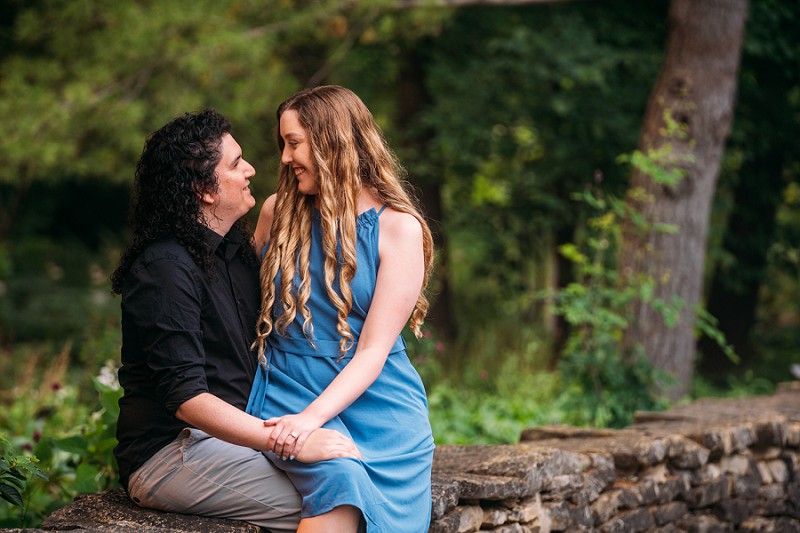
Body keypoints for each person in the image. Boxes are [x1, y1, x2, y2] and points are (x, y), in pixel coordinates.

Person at [110, 109, 362, 532]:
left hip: (237, 439)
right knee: (341, 496)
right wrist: (288, 440)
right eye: (236, 163)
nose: (251, 170)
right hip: (172, 452)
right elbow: (187, 399)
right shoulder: (164, 267)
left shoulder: (235, 253)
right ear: (203, 189)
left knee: (353, 477)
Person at [247, 85, 436, 532]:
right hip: (289, 385)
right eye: (283, 144)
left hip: (382, 409)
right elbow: (242, 306)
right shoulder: (277, 213)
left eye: (294, 143)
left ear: (331, 141)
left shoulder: (399, 229)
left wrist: (310, 421)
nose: (285, 158)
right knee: (339, 481)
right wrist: (301, 422)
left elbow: (373, 351)